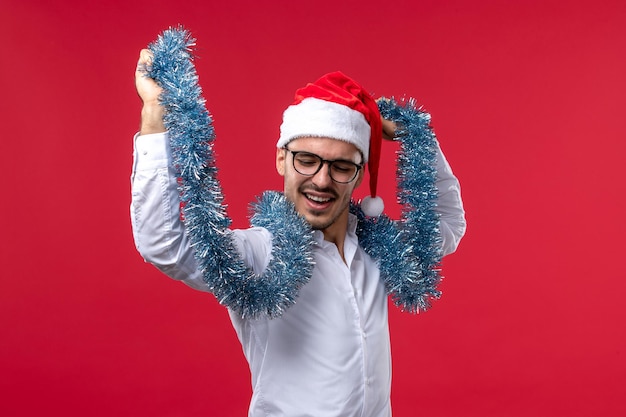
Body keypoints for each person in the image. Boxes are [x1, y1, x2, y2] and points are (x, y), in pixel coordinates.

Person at [131, 40, 466, 417]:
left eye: (341, 167)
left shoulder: (377, 247)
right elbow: (163, 244)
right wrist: (155, 117)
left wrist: (419, 138)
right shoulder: (258, 254)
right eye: (306, 160)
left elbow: (448, 225)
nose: (321, 181)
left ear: (358, 176)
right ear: (281, 159)